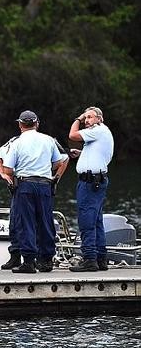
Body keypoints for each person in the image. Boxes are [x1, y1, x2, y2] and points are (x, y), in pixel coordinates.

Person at [2, 110, 68, 273]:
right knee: (46, 221)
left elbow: (8, 169)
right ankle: (46, 261)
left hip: (25, 185)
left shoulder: (17, 143)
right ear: (37, 124)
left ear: (20, 125)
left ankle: (29, 262)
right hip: (45, 185)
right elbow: (59, 162)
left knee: (26, 223)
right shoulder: (48, 140)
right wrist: (45, 168)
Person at [68, 106, 114, 272]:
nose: (86, 120)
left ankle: (89, 260)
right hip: (96, 181)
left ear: (99, 119)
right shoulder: (100, 132)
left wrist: (78, 118)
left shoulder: (97, 130)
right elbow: (98, 153)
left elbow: (72, 135)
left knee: (86, 221)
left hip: (89, 183)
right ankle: (101, 259)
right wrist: (81, 153)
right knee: (96, 222)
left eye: (90, 117)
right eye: (85, 118)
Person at [0, 135, 20, 269]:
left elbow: (63, 158)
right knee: (15, 222)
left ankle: (36, 258)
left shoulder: (44, 140)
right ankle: (15, 257)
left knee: (33, 222)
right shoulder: (15, 141)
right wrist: (3, 174)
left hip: (36, 183)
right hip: (19, 183)